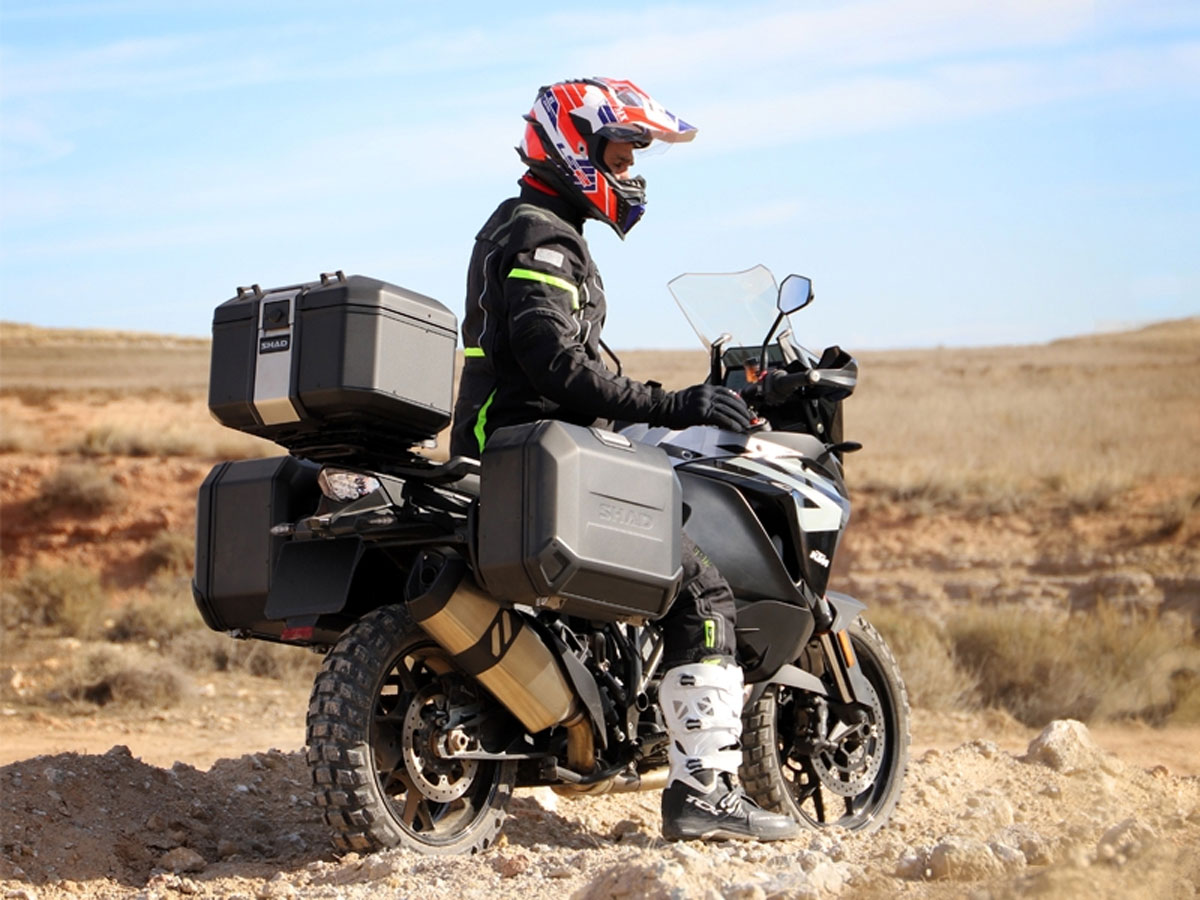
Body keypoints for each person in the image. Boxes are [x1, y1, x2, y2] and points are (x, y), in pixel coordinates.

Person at [450, 77, 799, 843]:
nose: (630, 170)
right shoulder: (542, 235)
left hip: (519, 450)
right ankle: (704, 789)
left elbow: (564, 363)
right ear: (575, 144)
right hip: (526, 458)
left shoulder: (527, 226)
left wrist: (654, 405)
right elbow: (555, 368)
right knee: (699, 590)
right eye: (620, 149)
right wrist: (674, 405)